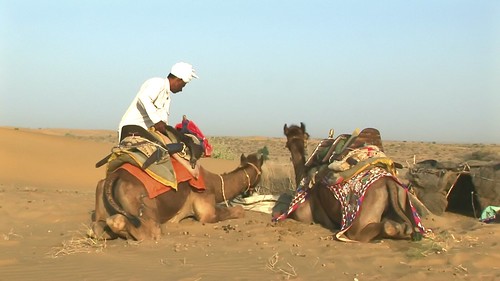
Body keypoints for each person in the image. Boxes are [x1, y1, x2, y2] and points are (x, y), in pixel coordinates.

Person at [118, 62, 200, 177]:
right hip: (133, 129)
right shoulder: (157, 83)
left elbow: (163, 124)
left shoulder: (166, 96)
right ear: (178, 80)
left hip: (147, 132)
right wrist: (157, 121)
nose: (182, 89)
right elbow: (143, 98)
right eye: (183, 85)